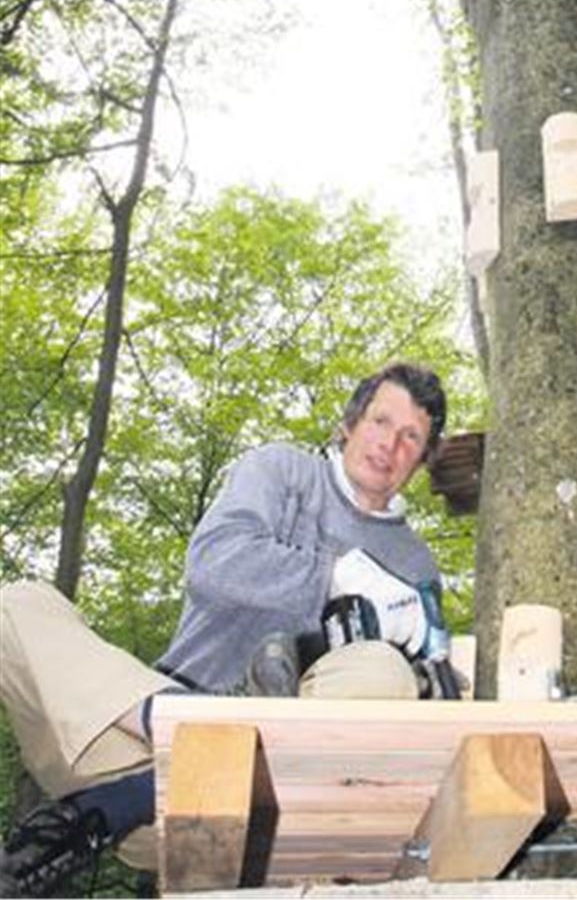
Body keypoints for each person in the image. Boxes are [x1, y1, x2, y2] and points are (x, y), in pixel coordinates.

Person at [0, 361, 449, 898]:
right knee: (16, 605)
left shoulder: (415, 564)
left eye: (410, 437)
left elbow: (428, 702)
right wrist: (331, 575)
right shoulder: (281, 472)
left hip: (276, 803)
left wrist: (421, 659)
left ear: (421, 461)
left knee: (382, 674)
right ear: (350, 424)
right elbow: (213, 563)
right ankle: (181, 732)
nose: (389, 444)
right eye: (380, 422)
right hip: (129, 738)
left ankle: (121, 803)